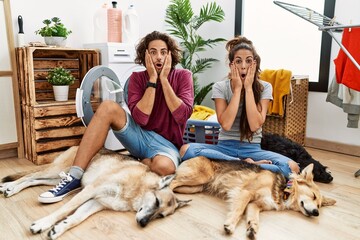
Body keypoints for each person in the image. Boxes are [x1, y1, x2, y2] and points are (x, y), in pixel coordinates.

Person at [39, 31, 194, 203]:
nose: (159, 57)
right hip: (140, 136)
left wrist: (164, 80)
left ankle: (141, 163)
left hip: (167, 145)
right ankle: (74, 177)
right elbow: (141, 119)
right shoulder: (136, 78)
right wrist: (152, 80)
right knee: (108, 107)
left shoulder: (183, 76)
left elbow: (182, 116)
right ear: (146, 55)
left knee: (164, 167)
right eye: (153, 52)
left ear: (170, 55)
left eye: (163, 52)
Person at [179, 36, 299, 178]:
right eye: (238, 61)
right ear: (231, 65)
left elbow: (254, 125)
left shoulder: (265, 87)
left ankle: (236, 165)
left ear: (254, 64)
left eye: (248, 61)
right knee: (185, 150)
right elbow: (226, 124)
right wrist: (237, 90)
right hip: (224, 148)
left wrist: (248, 88)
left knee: (293, 168)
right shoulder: (220, 87)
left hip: (253, 150)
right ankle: (245, 164)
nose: (243, 66)